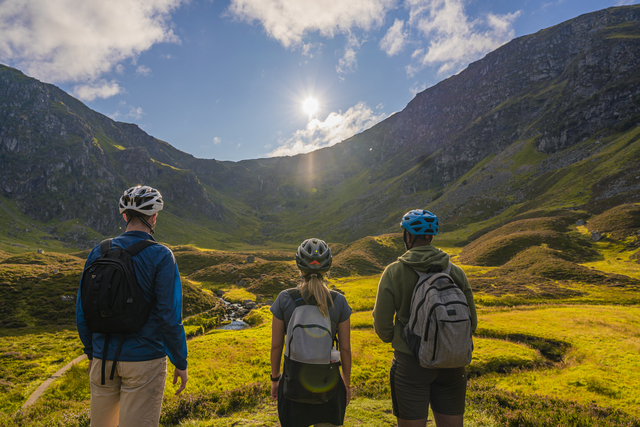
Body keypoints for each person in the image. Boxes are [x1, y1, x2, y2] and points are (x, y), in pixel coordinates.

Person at [76, 185, 188, 427]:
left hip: (102, 360)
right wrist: (180, 361)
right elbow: (169, 316)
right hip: (145, 360)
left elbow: (82, 310)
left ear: (125, 216)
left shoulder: (98, 251)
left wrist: (91, 352)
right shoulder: (161, 255)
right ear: (154, 217)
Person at [372, 209, 477, 427]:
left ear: (408, 236)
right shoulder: (455, 272)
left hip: (411, 363)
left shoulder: (394, 272)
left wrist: (400, 340)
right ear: (431, 236)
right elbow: (472, 323)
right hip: (453, 363)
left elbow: (382, 325)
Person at [270, 238, 352, 427]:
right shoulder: (339, 301)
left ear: (300, 268)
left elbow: (276, 346)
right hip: (329, 387)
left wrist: (275, 379)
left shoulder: (284, 299)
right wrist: (346, 385)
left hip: (292, 384)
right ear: (327, 269)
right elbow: (345, 349)